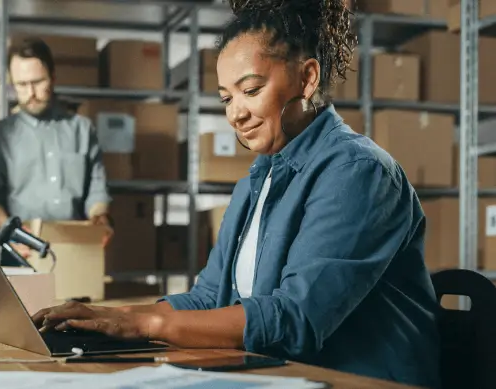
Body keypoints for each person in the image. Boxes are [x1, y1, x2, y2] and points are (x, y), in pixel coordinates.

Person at [30, 1, 441, 388]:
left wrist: (143, 325)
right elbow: (210, 297)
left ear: (307, 77)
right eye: (226, 97)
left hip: (361, 381)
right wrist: (110, 317)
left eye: (251, 89)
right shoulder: (258, 179)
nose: (235, 113)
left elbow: (295, 319)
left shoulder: (358, 173)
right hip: (288, 375)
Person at [0, 37, 112, 256]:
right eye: (21, 84)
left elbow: (96, 190)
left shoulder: (82, 130)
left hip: (75, 249)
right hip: (21, 250)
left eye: (38, 82)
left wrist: (99, 218)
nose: (30, 93)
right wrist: (10, 230)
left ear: (53, 78)